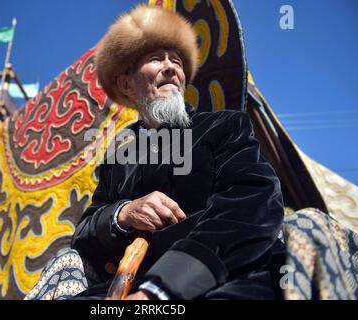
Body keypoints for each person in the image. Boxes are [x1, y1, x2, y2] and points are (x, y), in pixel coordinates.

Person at [25, 4, 285, 300]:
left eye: (176, 61)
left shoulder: (224, 126)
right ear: (126, 83)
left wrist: (160, 290)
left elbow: (252, 202)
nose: (171, 67)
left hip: (212, 279)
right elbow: (84, 234)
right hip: (116, 290)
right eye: (155, 59)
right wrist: (124, 213)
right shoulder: (119, 159)